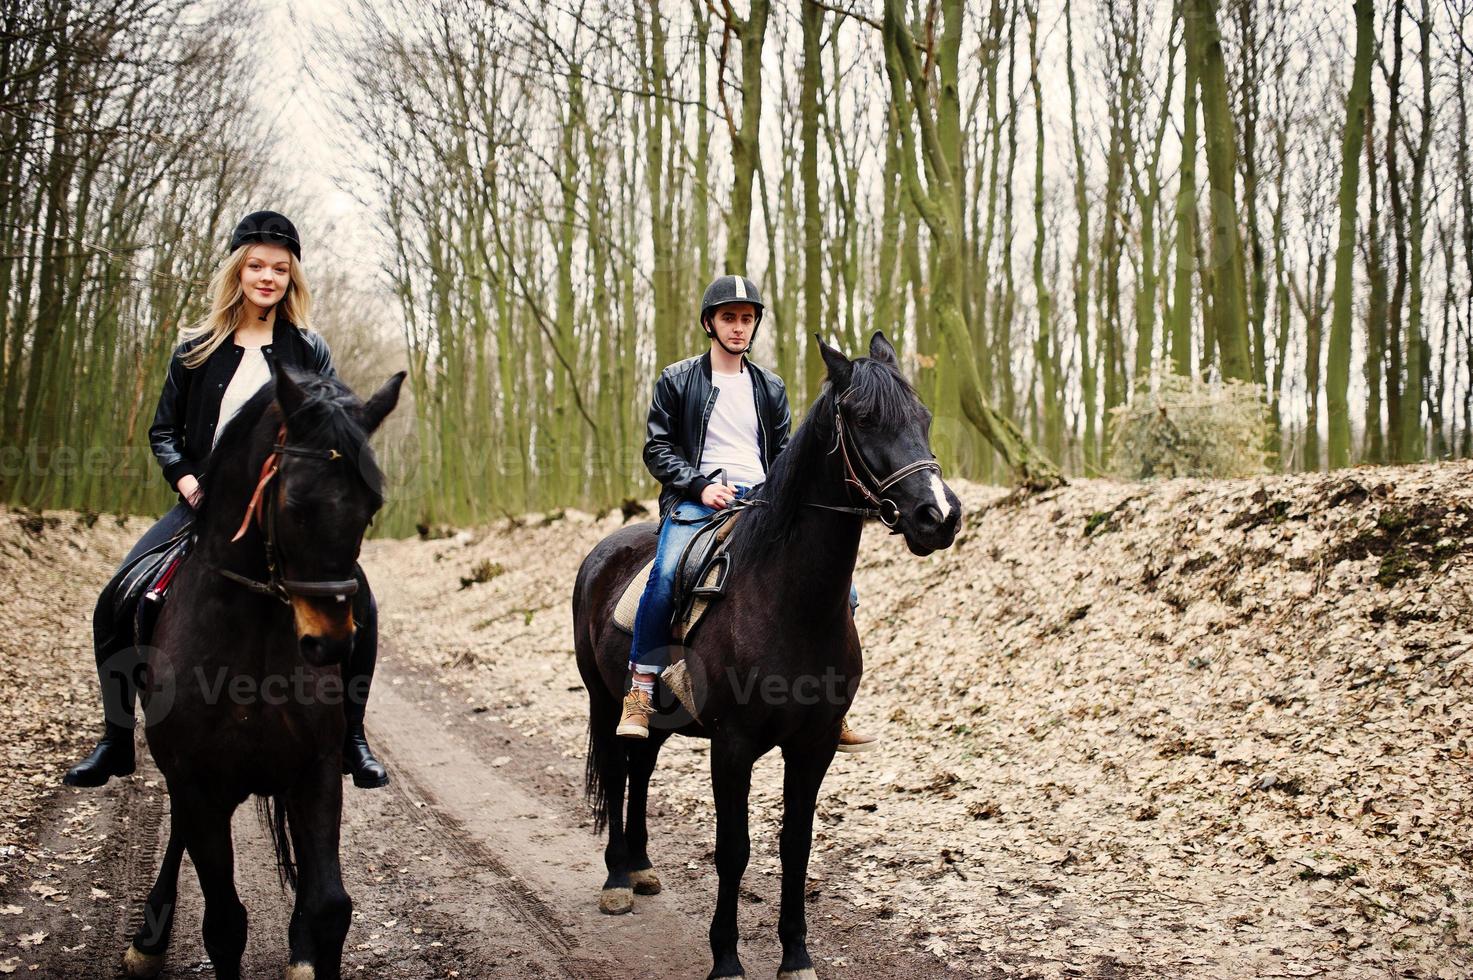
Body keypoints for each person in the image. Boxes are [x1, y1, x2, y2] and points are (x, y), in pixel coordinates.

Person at [62, 211, 391, 789]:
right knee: (117, 595)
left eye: (280, 269)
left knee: (358, 598)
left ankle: (353, 736)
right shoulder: (195, 348)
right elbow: (164, 431)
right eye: (257, 266)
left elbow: (333, 426)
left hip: (281, 510)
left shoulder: (308, 350)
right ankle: (115, 738)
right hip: (203, 505)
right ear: (237, 270)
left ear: (293, 279)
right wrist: (186, 480)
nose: (268, 277)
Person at [617, 274, 876, 752]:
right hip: (696, 501)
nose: (739, 327)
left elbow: (784, 454)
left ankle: (830, 709)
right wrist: (700, 485)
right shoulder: (677, 380)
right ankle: (641, 689)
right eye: (729, 318)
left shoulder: (770, 387)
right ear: (709, 323)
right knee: (666, 574)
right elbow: (657, 448)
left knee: (849, 592)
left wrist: (775, 495)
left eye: (747, 319)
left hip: (762, 501)